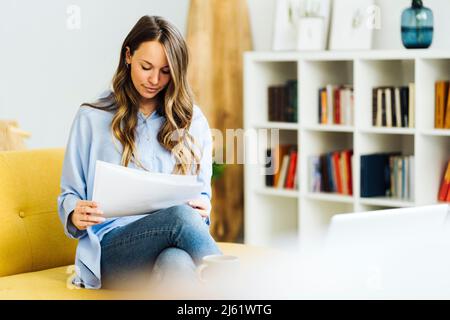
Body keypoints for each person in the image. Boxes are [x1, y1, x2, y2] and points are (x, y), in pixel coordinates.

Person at [57, 15, 222, 290]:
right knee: (179, 219)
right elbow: (69, 194)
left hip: (171, 245)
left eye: (166, 71)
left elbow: (201, 195)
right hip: (113, 251)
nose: (155, 80)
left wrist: (204, 209)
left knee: (176, 262)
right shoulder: (92, 117)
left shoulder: (193, 121)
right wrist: (75, 212)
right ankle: (237, 291)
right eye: (147, 67)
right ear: (128, 56)